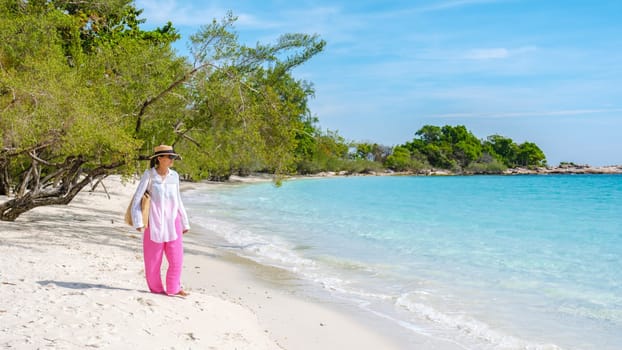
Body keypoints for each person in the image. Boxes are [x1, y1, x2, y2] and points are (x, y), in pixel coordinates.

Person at [130, 144, 190, 297]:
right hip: (154, 223)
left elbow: (178, 199)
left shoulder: (174, 176)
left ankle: (173, 288)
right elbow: (137, 198)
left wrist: (185, 222)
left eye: (173, 157)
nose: (172, 160)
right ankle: (156, 289)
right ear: (159, 158)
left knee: (176, 259)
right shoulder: (149, 175)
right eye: (169, 157)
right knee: (153, 261)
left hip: (173, 222)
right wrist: (138, 222)